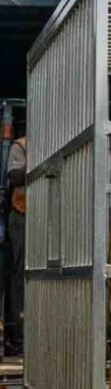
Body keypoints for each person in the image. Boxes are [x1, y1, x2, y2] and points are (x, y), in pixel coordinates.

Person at [5, 118, 26, 355]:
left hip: (43, 216)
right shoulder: (20, 146)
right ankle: (20, 335)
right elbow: (13, 176)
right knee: (21, 275)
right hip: (22, 215)